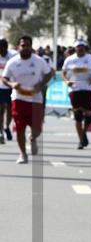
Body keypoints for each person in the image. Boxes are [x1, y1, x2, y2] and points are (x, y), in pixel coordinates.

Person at [2, 35, 53, 163]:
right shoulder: (12, 62)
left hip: (35, 99)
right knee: (19, 128)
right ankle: (23, 154)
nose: (25, 48)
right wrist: (12, 84)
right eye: (23, 45)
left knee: (37, 129)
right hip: (18, 98)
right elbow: (4, 78)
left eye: (27, 45)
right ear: (19, 47)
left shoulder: (39, 61)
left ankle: (33, 138)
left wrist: (41, 85)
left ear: (31, 47)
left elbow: (49, 73)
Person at [62, 39, 91, 149]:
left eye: (82, 46)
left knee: (88, 115)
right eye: (78, 46)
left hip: (88, 89)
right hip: (75, 89)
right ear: (75, 48)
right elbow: (63, 73)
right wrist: (67, 81)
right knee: (78, 115)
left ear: (85, 48)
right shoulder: (70, 59)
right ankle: (80, 140)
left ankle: (83, 133)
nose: (80, 48)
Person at [0, 38, 16, 143]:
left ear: (5, 47)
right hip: (0, 86)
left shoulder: (13, 56)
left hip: (10, 86)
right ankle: (1, 132)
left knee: (10, 109)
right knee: (1, 110)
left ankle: (7, 127)